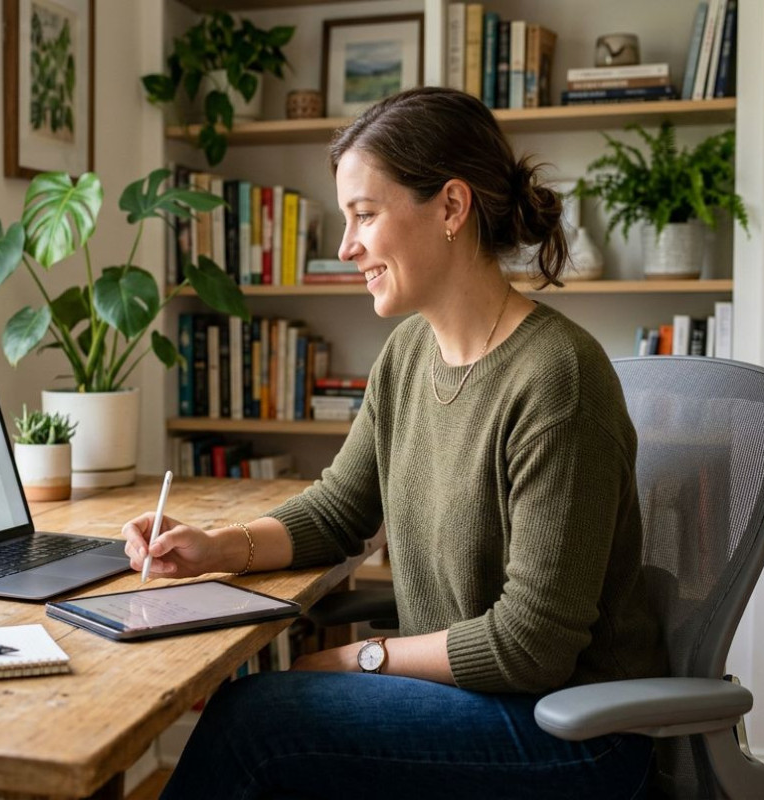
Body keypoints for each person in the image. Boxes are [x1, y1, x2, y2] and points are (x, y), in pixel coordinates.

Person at [121, 87, 667, 800]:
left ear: (449, 207)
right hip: (471, 700)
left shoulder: (558, 377)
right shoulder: (410, 350)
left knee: (256, 727)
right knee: (261, 723)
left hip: (568, 733)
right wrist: (214, 546)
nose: (346, 247)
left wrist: (358, 659)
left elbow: (530, 645)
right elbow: (338, 511)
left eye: (364, 216)